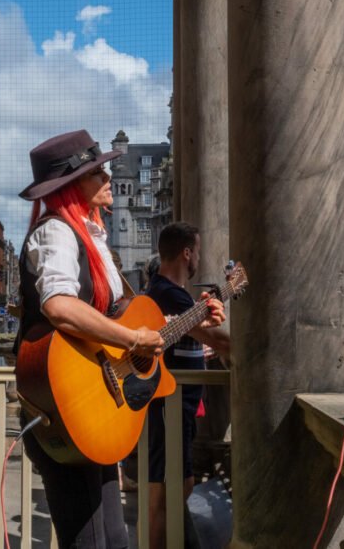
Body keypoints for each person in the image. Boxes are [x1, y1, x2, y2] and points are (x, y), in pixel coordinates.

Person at [14, 129, 225, 548]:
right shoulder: (55, 232)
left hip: (97, 412)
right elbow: (59, 306)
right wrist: (132, 337)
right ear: (74, 184)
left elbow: (123, 316)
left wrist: (192, 319)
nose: (109, 177)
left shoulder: (93, 241)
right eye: (98, 172)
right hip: (70, 407)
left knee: (113, 539)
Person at [145, 222, 230, 549]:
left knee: (175, 486)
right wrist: (244, 350)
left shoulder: (167, 293)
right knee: (166, 492)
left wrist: (201, 345)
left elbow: (188, 338)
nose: (198, 259)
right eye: (197, 251)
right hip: (171, 405)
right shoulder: (170, 294)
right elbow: (215, 338)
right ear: (186, 252)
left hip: (176, 406)